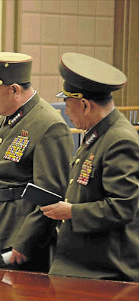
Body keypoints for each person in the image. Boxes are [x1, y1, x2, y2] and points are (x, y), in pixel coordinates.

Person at [0, 52, 74, 272]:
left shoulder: (47, 124)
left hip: (16, 244)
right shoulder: (8, 116)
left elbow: (50, 195)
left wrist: (25, 243)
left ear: (14, 90)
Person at [42, 53, 139, 281]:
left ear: (85, 105)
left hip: (105, 270)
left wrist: (71, 211)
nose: (66, 112)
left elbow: (122, 207)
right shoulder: (99, 133)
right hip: (82, 264)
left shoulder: (119, 139)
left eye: (67, 104)